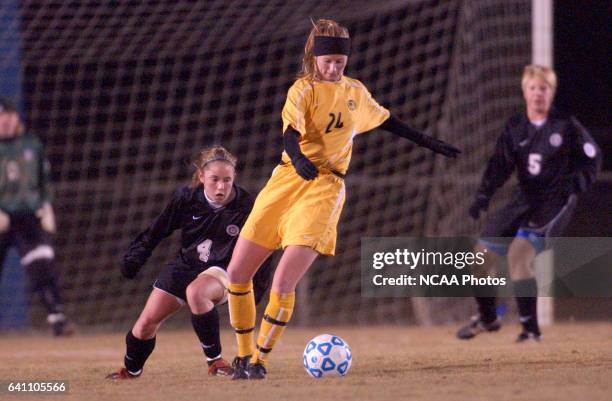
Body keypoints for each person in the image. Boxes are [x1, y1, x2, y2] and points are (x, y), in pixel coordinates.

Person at [226, 19, 461, 380]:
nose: (333, 68)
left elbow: (387, 121)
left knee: (282, 282)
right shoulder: (303, 89)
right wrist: (299, 157)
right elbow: (291, 132)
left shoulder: (355, 91)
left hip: (324, 189)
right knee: (238, 274)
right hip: (287, 181)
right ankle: (242, 356)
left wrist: (429, 142)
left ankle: (259, 360)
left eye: (339, 61)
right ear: (315, 58)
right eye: (328, 61)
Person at [457, 64, 601, 342]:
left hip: (554, 202)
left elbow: (592, 159)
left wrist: (575, 186)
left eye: (544, 89)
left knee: (518, 256)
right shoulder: (516, 127)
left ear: (551, 92)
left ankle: (531, 332)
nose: (538, 94)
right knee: (478, 259)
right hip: (523, 200)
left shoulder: (566, 125)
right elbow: (499, 165)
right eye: (533, 88)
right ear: (525, 91)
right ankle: (489, 318)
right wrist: (483, 195)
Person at [106, 146, 273, 379]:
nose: (221, 186)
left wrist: (253, 292)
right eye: (214, 179)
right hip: (187, 265)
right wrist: (136, 255)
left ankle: (215, 361)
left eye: (227, 179)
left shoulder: (246, 205)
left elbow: (263, 250)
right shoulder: (186, 198)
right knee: (145, 324)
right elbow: (157, 230)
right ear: (201, 176)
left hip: (224, 270)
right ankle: (131, 370)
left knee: (197, 292)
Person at [0, 98, 70, 336]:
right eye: (1, 117)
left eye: (8, 115)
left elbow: (44, 181)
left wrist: (47, 206)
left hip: (28, 218)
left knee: (43, 266)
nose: (5, 121)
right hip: (1, 217)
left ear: (16, 118)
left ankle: (58, 319)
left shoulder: (31, 144)